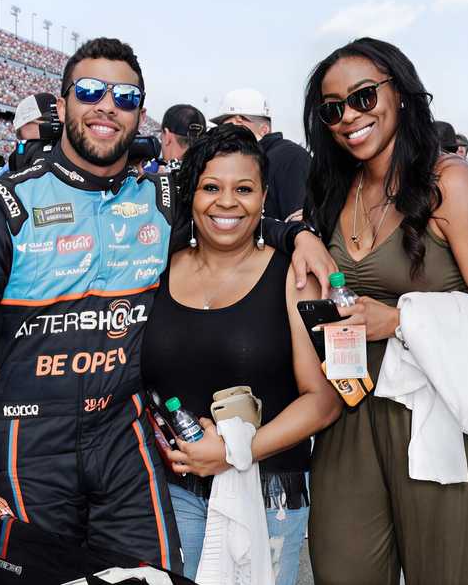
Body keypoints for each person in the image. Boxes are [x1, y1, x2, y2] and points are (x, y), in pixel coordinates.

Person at [0, 37, 335, 571]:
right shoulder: (4, 204)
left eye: (125, 97)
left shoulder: (158, 199)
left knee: (152, 580)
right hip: (29, 443)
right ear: (65, 101)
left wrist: (295, 237)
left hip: (127, 441)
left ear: (141, 113)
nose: (107, 107)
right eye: (91, 91)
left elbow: (228, 218)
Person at [301, 37, 468, 584]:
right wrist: (298, 237)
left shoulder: (450, 183)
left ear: (400, 93)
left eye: (363, 97)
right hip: (348, 413)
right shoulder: (341, 186)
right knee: (340, 570)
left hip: (438, 418)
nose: (349, 118)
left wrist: (401, 320)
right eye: (332, 109)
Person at [141, 124, 341, 582]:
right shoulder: (156, 268)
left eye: (244, 188)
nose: (227, 202)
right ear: (191, 195)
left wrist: (234, 452)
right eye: (211, 187)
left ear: (264, 195)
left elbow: (324, 400)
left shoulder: (295, 275)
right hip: (171, 491)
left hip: (269, 493)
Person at [211, 88, 311, 221]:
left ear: (264, 129)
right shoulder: (250, 161)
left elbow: (301, 227)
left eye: (226, 126)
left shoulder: (290, 156)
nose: (223, 134)